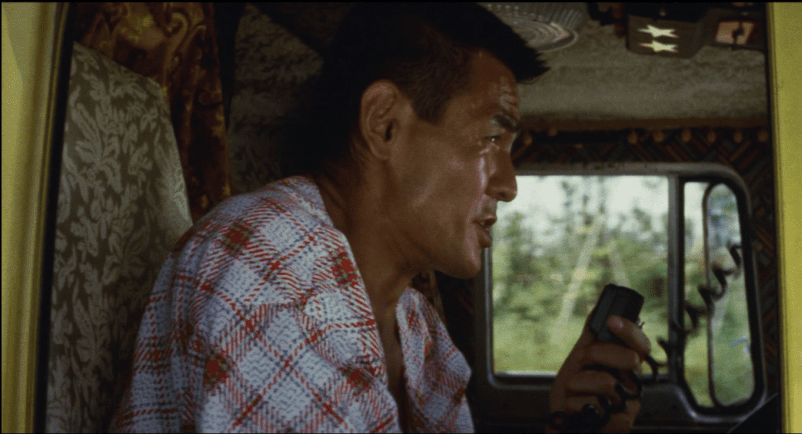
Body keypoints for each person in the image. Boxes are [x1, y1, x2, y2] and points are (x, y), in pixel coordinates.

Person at [112, 3, 651, 432]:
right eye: (492, 138)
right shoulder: (268, 273)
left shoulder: (416, 329)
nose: (508, 185)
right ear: (385, 124)